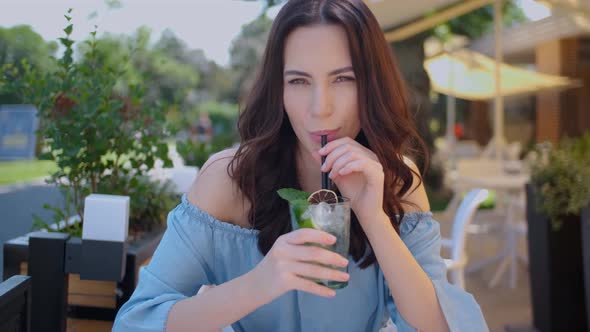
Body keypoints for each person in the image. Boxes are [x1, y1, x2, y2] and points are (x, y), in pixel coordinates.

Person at [113, 0, 488, 331]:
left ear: (371, 86)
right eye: (299, 81)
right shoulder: (228, 180)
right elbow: (136, 321)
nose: (319, 108)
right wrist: (258, 284)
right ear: (279, 90)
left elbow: (437, 326)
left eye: (343, 78)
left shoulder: (396, 180)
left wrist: (374, 219)